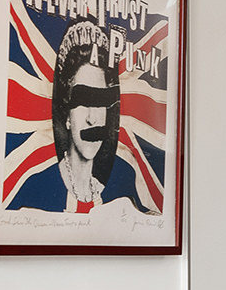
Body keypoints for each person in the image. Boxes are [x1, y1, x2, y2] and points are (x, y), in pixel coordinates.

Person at [8, 22, 146, 215]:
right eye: (83, 100)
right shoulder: (36, 183)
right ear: (67, 115)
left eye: (100, 100)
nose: (92, 119)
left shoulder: (125, 184)